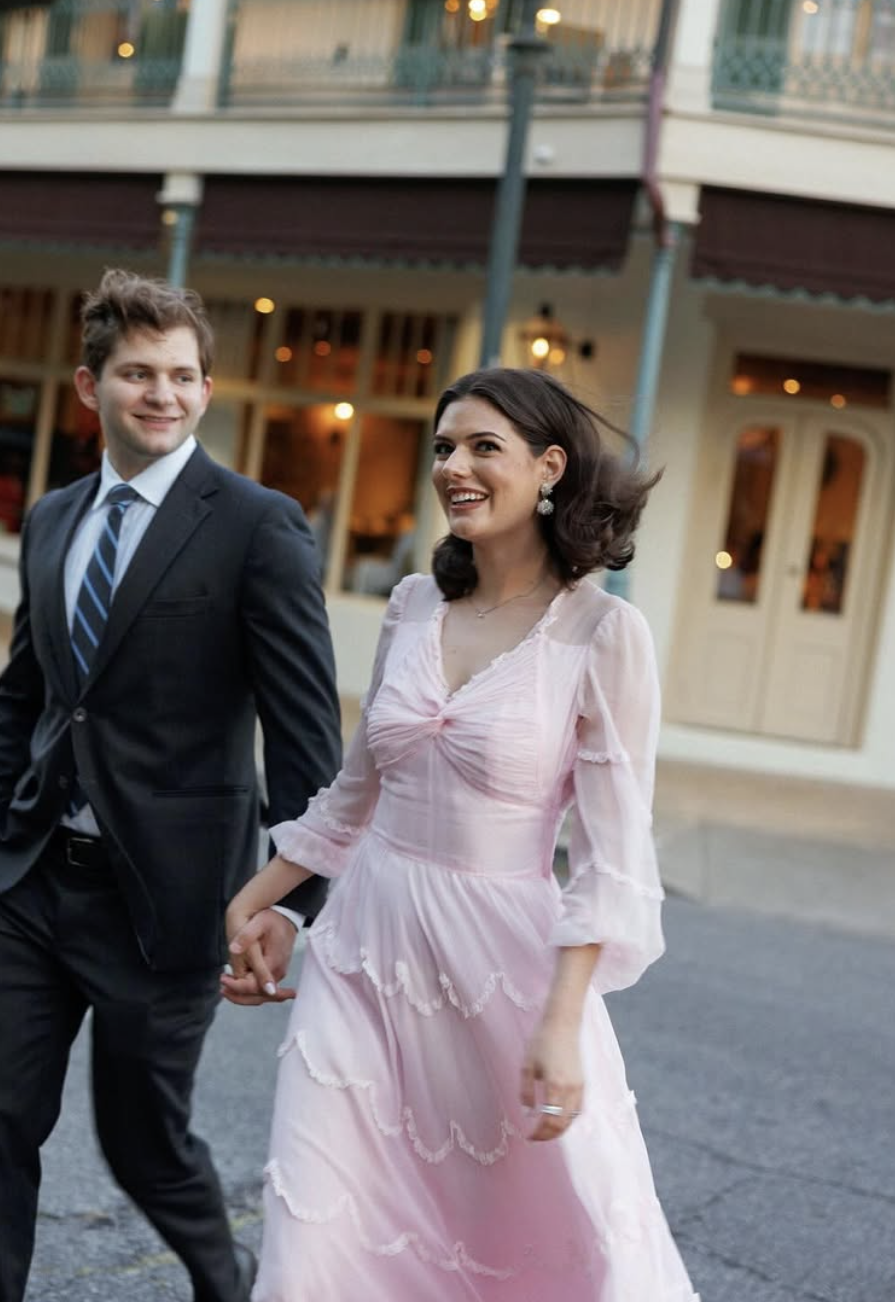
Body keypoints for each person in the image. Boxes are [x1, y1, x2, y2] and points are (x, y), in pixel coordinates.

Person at [222, 367, 700, 1300]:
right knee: (323, 1232)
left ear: (549, 467)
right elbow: (354, 794)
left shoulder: (603, 634)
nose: (456, 467)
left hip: (505, 976)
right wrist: (256, 896)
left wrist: (562, 1023)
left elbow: (610, 859)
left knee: (529, 1241)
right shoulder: (411, 605)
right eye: (445, 448)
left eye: (485, 447)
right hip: (362, 955)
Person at [0, 268, 342, 1302]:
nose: (160, 393)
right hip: (19, 880)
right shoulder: (51, 520)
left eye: (180, 374)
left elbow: (306, 744)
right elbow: (25, 692)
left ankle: (227, 1281)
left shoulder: (260, 528)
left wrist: (291, 907)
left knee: (143, 1141)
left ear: (207, 390)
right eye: (136, 373)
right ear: (90, 386)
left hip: (166, 902)